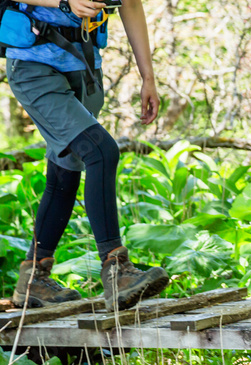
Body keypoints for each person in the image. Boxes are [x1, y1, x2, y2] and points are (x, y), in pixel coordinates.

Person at [4, 0, 169, 310]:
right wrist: (63, 3)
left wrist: (148, 76)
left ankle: (33, 279)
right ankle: (116, 268)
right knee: (101, 151)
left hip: (84, 68)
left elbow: (130, 4)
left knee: (64, 175)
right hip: (34, 67)